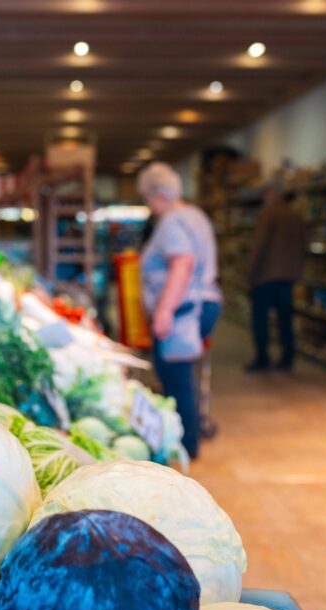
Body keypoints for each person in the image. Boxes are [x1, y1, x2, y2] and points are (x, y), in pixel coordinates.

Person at [137, 162, 222, 460]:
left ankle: (186, 445)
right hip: (204, 302)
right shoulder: (196, 215)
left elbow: (182, 262)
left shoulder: (172, 221)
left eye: (148, 198)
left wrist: (164, 310)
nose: (150, 206)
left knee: (175, 376)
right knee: (182, 374)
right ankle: (188, 438)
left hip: (183, 309)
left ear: (159, 194)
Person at [246, 185, 306, 372]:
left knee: (260, 319)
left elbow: (259, 245)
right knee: (285, 319)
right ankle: (287, 357)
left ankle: (262, 357)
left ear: (272, 195)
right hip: (288, 277)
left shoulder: (268, 214)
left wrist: (250, 272)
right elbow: (304, 244)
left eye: (265, 194)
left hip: (265, 276)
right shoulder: (295, 215)